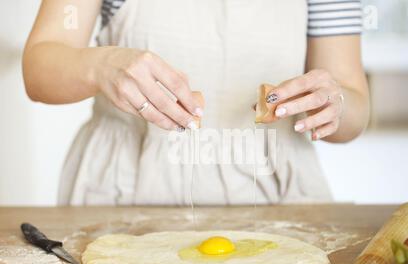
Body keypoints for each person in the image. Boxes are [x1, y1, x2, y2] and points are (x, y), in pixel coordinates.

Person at [23, 0, 369, 206]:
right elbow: (37, 71)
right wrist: (100, 65)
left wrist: (333, 103)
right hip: (123, 193)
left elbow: (354, 107)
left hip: (277, 197)